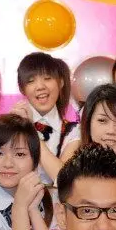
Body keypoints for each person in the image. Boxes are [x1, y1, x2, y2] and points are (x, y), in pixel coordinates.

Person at [8, 52, 76, 185]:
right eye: (31, 81)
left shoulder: (74, 131)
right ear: (22, 89)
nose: (40, 87)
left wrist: (30, 131)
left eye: (47, 78)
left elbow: (64, 180)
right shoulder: (9, 125)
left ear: (61, 82)